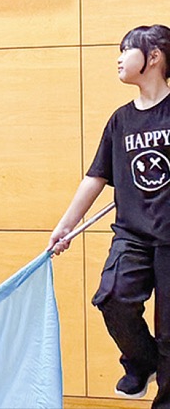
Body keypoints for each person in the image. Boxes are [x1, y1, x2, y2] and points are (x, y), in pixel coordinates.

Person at [49, 24, 170, 406]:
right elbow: (95, 177)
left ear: (153, 57)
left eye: (126, 50)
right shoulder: (121, 120)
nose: (118, 58)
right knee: (114, 298)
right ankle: (142, 362)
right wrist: (65, 226)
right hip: (132, 235)